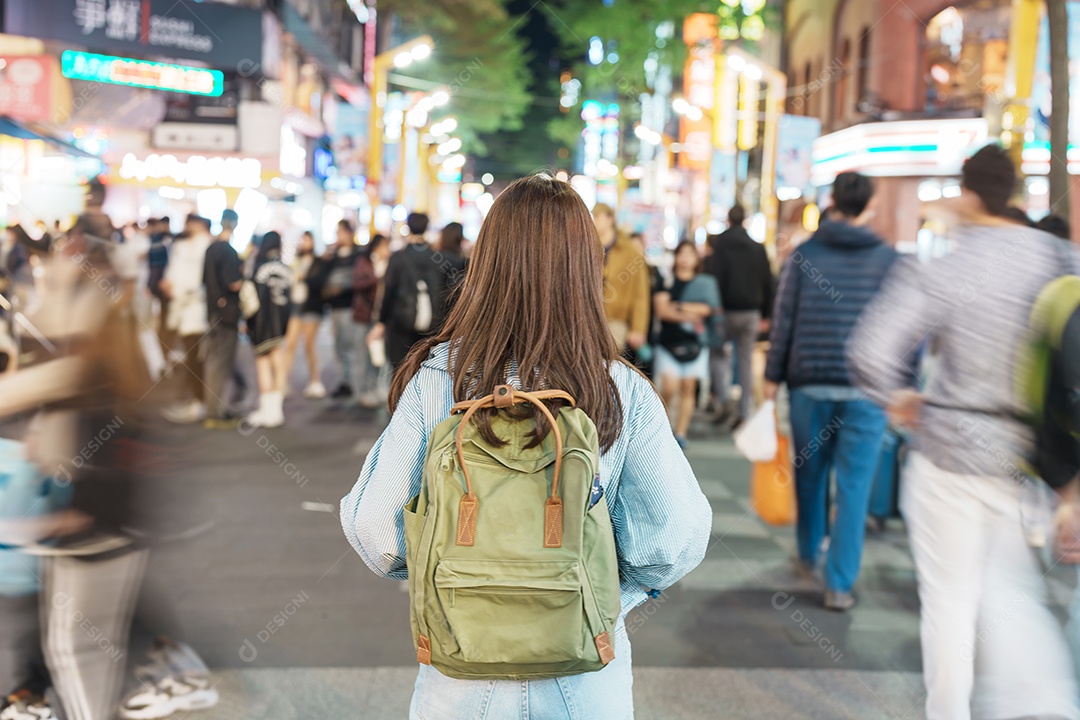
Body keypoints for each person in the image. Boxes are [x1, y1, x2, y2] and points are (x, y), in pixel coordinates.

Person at [340, 174, 712, 719]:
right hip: (583, 671)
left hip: (459, 670)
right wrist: (600, 586)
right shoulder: (617, 387)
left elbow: (376, 532)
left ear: (486, 264)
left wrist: (451, 578)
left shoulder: (439, 379)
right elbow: (675, 538)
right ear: (586, 270)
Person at [848, 145, 1080, 720]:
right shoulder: (1058, 259)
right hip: (1021, 456)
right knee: (1009, 592)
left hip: (948, 449)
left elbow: (870, 352)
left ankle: (949, 713)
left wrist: (900, 399)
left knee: (949, 602)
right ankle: (1044, 705)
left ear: (970, 194)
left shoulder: (950, 263)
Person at [764, 171, 898, 612]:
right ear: (868, 205)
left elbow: (783, 321)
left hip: (811, 385)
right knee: (855, 487)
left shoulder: (805, 256)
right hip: (867, 388)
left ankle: (807, 553)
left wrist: (772, 375)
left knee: (811, 472)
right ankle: (839, 583)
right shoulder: (887, 260)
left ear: (834, 201)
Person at [705, 203, 774, 428]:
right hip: (751, 313)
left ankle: (724, 399)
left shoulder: (721, 244)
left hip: (724, 311)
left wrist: (716, 306)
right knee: (745, 362)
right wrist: (766, 314)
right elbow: (768, 281)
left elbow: (715, 276)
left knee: (717, 354)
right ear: (745, 220)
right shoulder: (757, 247)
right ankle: (744, 411)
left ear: (728, 219)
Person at [653, 241, 720, 448]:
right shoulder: (667, 281)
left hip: (695, 344)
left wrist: (680, 306)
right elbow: (662, 311)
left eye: (690, 254)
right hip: (668, 343)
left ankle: (681, 434)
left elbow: (709, 309)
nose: (685, 258)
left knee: (689, 387)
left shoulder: (704, 283)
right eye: (681, 254)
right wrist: (692, 314)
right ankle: (662, 429)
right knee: (669, 387)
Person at [369, 213, 454, 369]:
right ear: (427, 228)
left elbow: (388, 291)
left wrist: (381, 321)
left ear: (408, 227)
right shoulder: (438, 257)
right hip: (433, 326)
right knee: (425, 369)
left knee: (400, 370)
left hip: (399, 324)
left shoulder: (398, 258)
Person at [160, 216, 212, 425]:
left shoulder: (206, 246)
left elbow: (199, 280)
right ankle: (198, 400)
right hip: (185, 310)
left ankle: (201, 402)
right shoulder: (182, 246)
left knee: (197, 359)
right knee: (193, 358)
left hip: (197, 310)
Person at [245, 232, 292, 428]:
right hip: (280, 323)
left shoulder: (258, 266)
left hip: (262, 323)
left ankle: (267, 411)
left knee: (263, 364)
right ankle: (276, 410)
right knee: (279, 366)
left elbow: (249, 297)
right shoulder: (286, 268)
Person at [201, 211, 243, 429]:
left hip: (211, 313)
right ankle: (215, 413)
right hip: (227, 315)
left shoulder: (210, 249)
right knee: (221, 364)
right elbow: (233, 283)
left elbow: (204, 281)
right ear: (234, 224)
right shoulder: (228, 251)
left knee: (213, 361)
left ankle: (213, 409)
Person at [593, 203, 649, 356]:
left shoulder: (629, 252)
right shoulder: (586, 247)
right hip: (587, 318)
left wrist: (638, 328)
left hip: (615, 320)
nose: (594, 220)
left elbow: (640, 294)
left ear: (610, 218)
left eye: (597, 216)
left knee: (609, 363)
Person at [282, 231, 326, 398]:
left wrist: (304, 277)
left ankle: (315, 381)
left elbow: (319, 283)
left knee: (309, 344)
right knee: (290, 344)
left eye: (307, 239)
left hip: (311, 307)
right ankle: (283, 381)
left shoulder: (318, 262)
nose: (304, 243)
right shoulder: (295, 261)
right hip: (295, 306)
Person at [320, 220, 360, 400]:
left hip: (350, 306)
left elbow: (360, 279)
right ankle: (346, 381)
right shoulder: (333, 255)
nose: (338, 236)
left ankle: (353, 382)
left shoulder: (358, 254)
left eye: (340, 232)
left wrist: (341, 288)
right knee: (339, 345)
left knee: (351, 345)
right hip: (335, 307)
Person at [351, 233, 390, 408]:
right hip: (364, 315)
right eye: (384, 246)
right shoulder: (365, 262)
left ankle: (375, 388)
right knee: (362, 356)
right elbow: (358, 283)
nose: (386, 250)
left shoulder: (388, 264)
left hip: (378, 317)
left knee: (377, 355)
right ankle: (362, 391)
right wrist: (378, 277)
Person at [147, 218, 173, 363]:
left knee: (165, 320)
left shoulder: (165, 240)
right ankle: (163, 353)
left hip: (165, 287)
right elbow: (155, 267)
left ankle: (165, 352)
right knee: (163, 320)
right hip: (161, 288)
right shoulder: (159, 241)